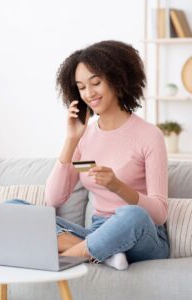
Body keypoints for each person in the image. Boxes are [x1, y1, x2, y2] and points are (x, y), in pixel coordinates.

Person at [44, 40, 170, 270]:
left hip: (142, 233)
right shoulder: (83, 136)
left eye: (96, 83)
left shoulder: (150, 136)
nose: (89, 93)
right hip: (98, 230)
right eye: (81, 87)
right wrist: (71, 139)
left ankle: (68, 259)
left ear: (117, 79)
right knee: (18, 209)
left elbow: (159, 215)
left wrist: (117, 186)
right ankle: (105, 252)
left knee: (133, 215)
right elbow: (53, 199)